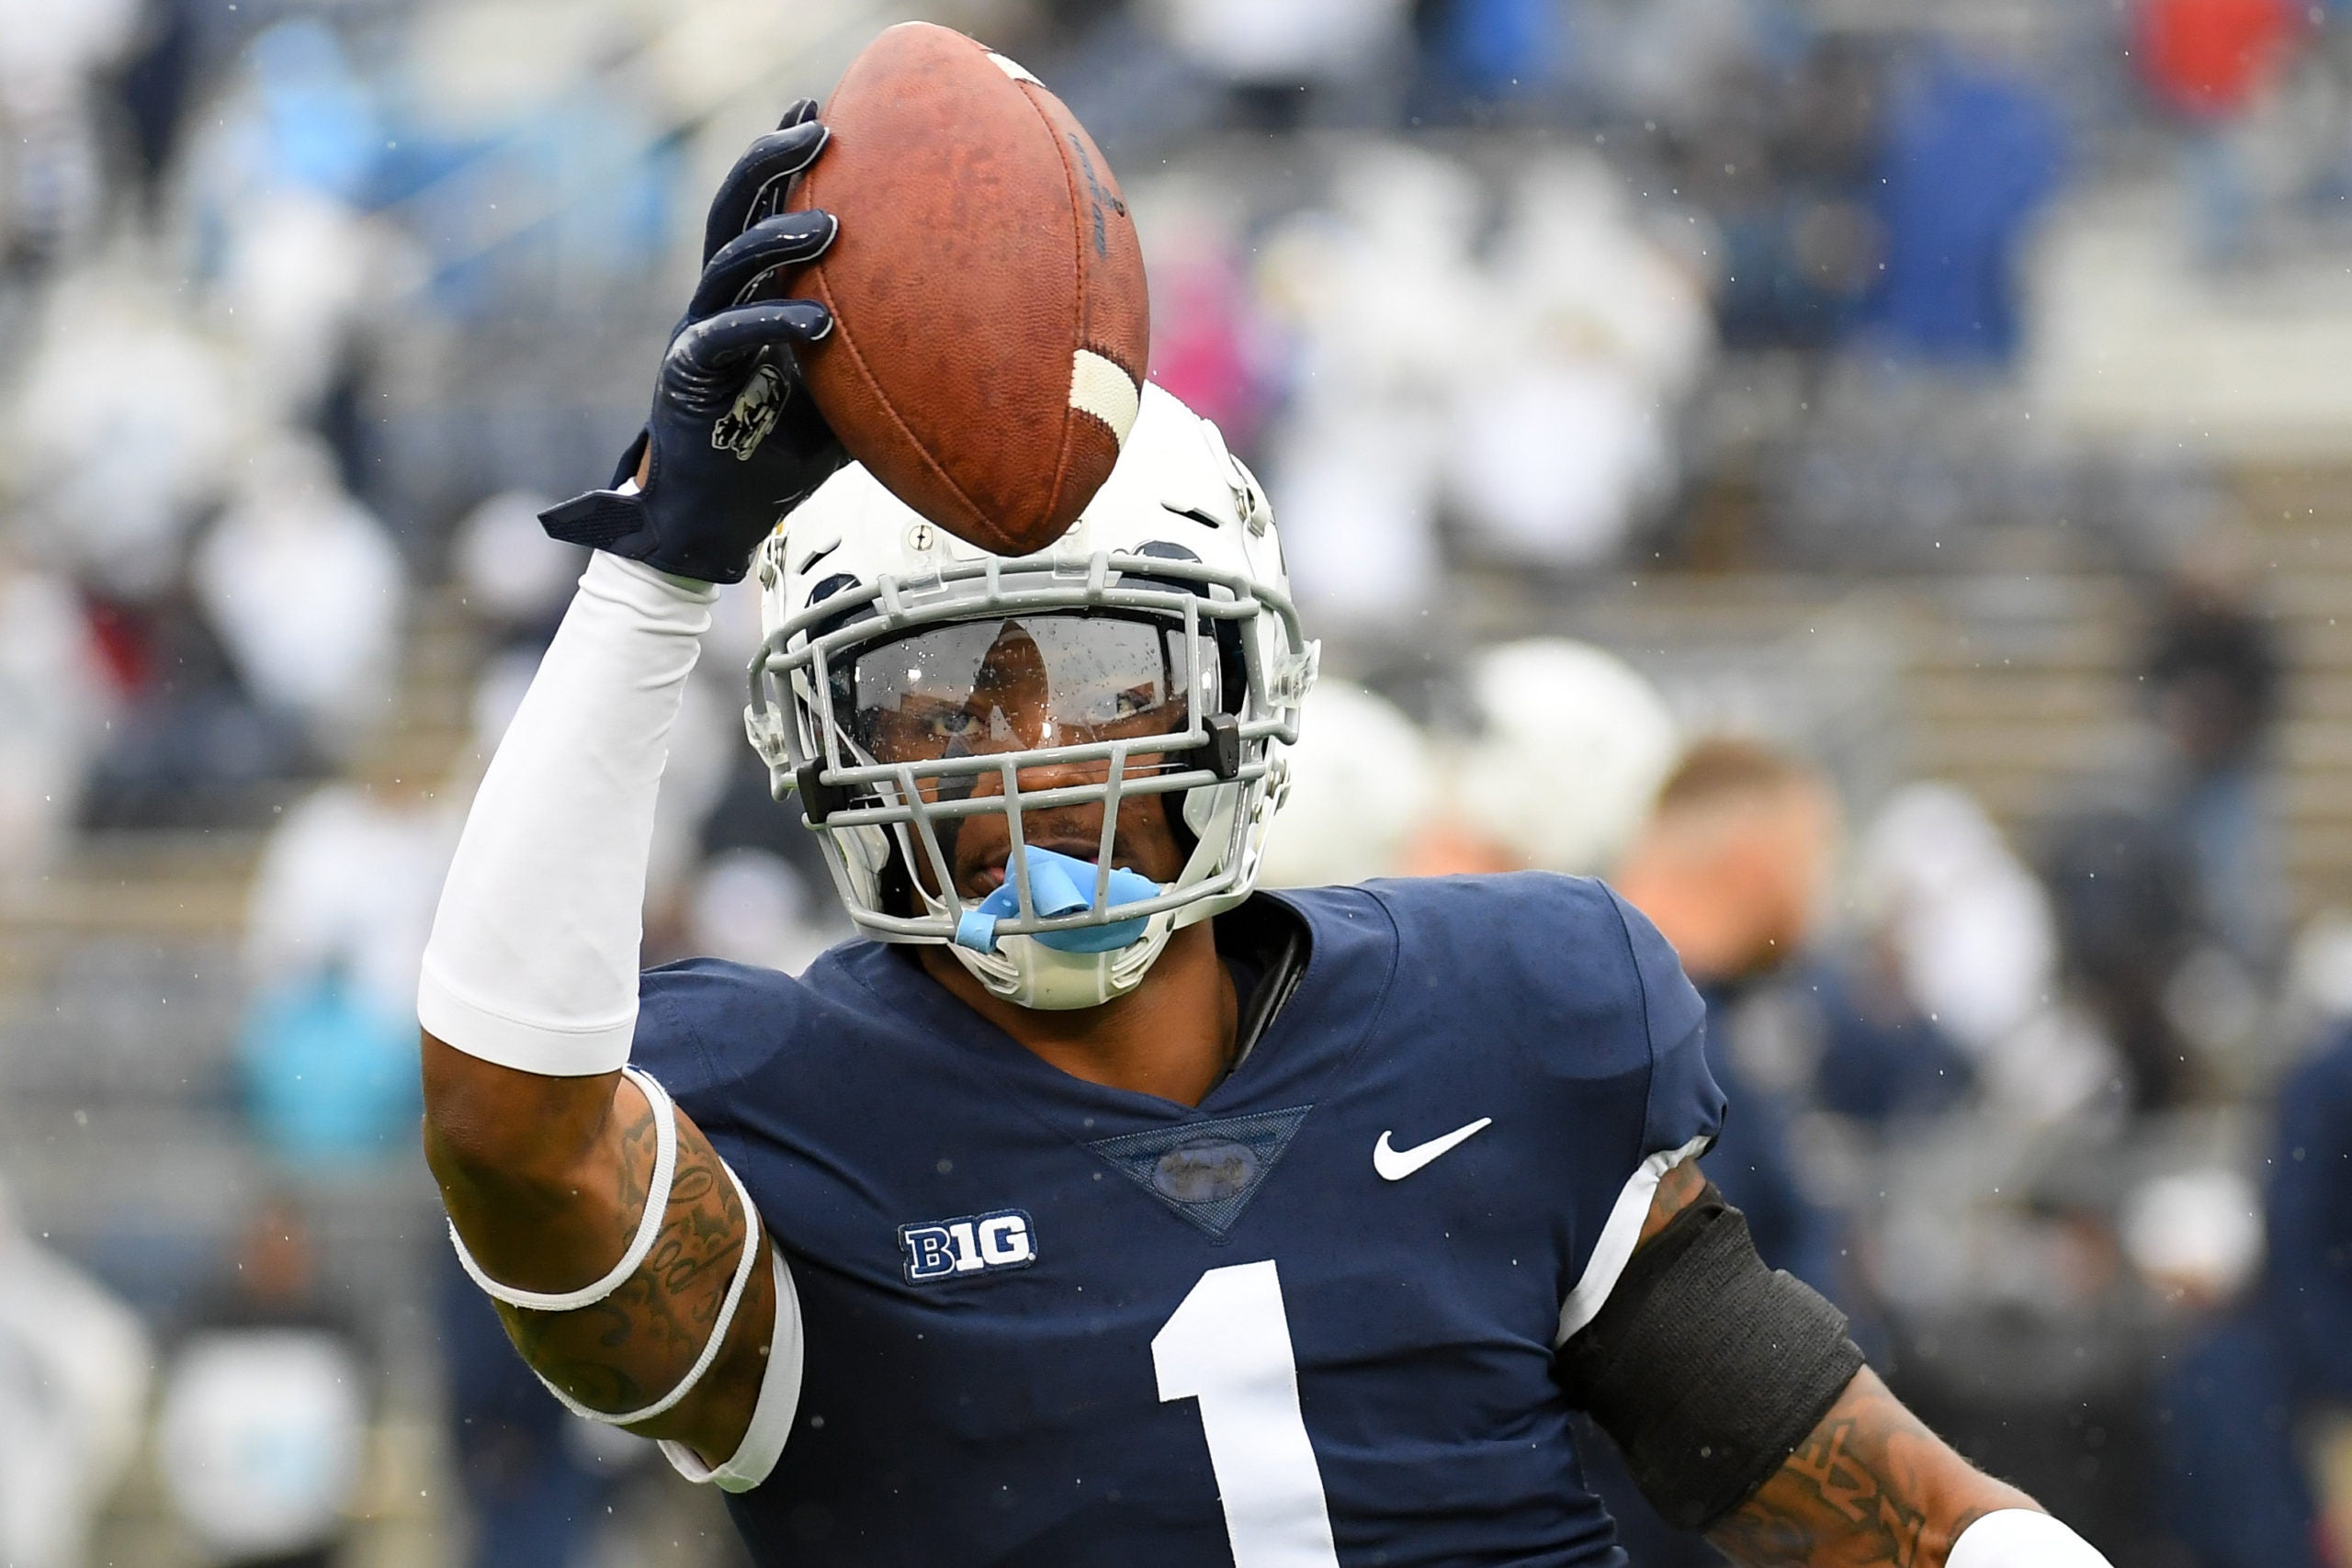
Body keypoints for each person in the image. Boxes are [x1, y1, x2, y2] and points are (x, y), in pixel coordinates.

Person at [416, 99, 2112, 1566]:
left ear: (1239, 683)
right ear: (818, 739)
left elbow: (1871, 1507)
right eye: (934, 696)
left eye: (1098, 676)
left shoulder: (1515, 1014)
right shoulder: (794, 1115)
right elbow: (517, 1136)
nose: (1028, 758)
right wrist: (654, 574)